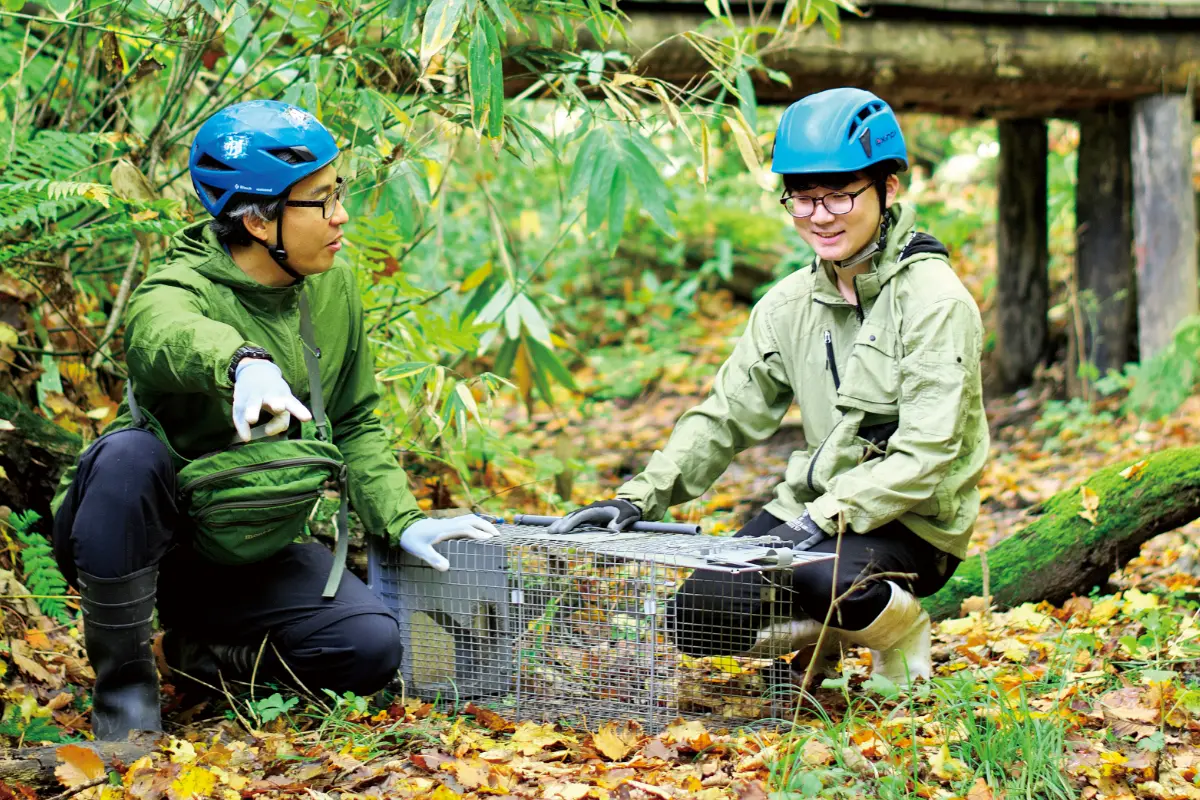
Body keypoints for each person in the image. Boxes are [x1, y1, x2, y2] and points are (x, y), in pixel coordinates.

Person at [51, 100, 499, 741]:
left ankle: (199, 656)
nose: (341, 215)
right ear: (260, 221)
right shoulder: (176, 289)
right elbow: (162, 333)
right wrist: (242, 363)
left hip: (248, 542)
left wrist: (401, 520)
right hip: (144, 541)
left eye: (337, 191)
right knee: (127, 457)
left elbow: (354, 419)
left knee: (370, 647)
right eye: (320, 200)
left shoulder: (333, 287)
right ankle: (124, 705)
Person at [550, 88, 988, 686]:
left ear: (888, 188)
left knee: (816, 574)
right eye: (802, 199)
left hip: (912, 523)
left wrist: (818, 521)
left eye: (839, 194)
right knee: (697, 620)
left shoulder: (935, 302)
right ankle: (834, 630)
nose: (820, 215)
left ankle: (903, 632)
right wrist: (636, 498)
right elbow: (725, 415)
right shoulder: (788, 303)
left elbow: (928, 454)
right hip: (814, 512)